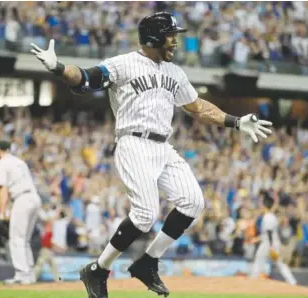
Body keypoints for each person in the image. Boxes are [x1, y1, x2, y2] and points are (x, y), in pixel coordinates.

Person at [31, 11, 273, 298]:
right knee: (145, 214)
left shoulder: (175, 72)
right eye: (171, 35)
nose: (175, 41)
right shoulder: (123, 64)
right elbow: (85, 79)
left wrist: (235, 121)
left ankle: (148, 261)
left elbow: (197, 107)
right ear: (153, 37)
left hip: (162, 146)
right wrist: (58, 67)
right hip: (133, 142)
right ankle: (98, 269)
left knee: (193, 202)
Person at [0, 140, 42, 285]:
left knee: (16, 238)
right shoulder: (19, 161)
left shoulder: (2, 163)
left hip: (22, 198)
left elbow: (3, 190)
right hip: (34, 198)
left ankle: (22, 275)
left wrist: (2, 214)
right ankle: (30, 274)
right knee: (24, 239)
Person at [250, 193, 297, 285]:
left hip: (269, 243)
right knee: (278, 263)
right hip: (271, 242)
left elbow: (269, 233)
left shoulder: (268, 217)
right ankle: (292, 281)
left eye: (261, 204)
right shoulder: (271, 216)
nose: (260, 206)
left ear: (264, 206)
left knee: (259, 259)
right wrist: (257, 239)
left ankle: (253, 279)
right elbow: (266, 233)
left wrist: (271, 246)